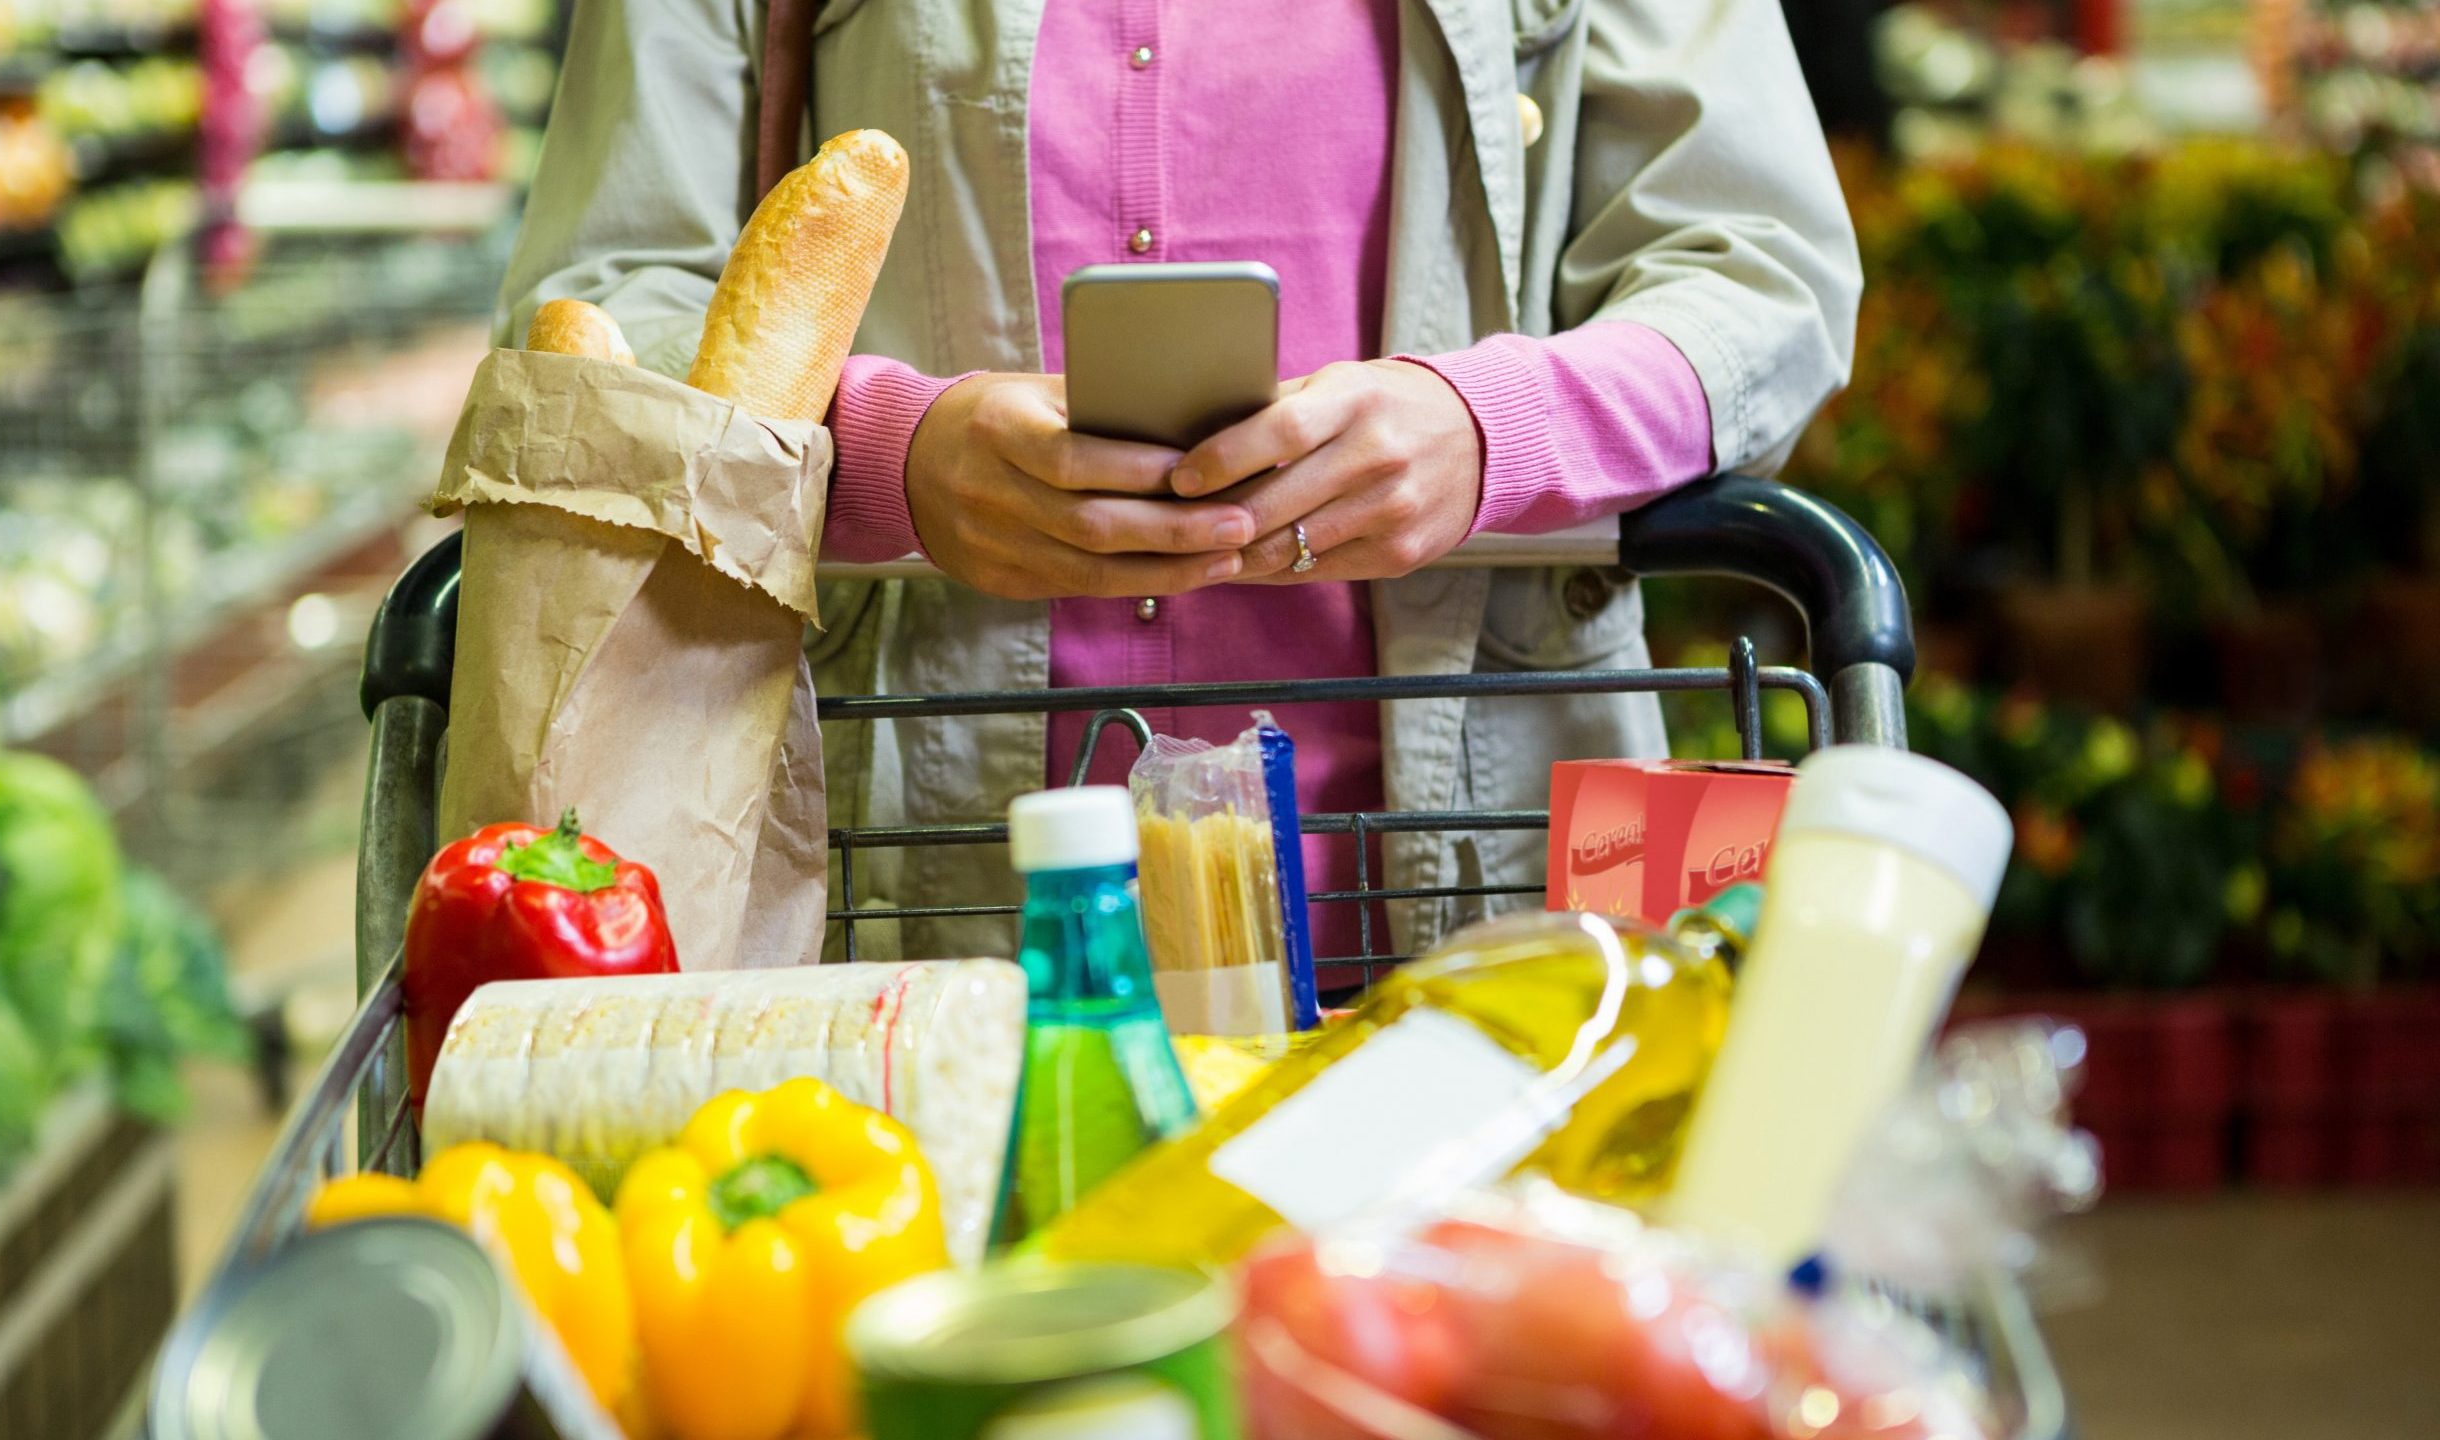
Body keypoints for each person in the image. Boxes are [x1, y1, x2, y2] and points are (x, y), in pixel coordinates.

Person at [499, 0, 1860, 962]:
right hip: (913, 881)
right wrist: (880, 454)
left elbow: (1765, 273)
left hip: (1473, 867)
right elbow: (600, 303)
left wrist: (1490, 429)